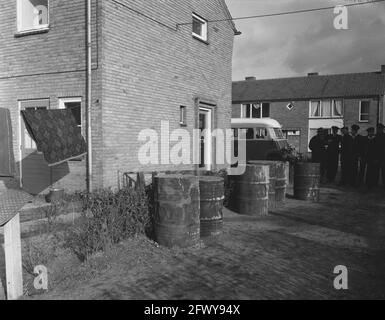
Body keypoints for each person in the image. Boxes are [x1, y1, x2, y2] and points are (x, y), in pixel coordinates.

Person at [375, 123, 385, 188]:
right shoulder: (375, 137)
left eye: (380, 128)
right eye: (378, 128)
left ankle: (384, 184)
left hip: (383, 157)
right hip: (376, 157)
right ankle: (375, 183)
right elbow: (374, 148)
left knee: (384, 172)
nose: (379, 129)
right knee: (376, 171)